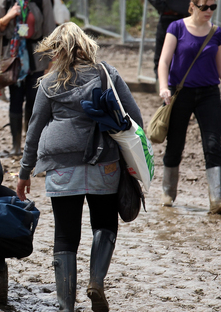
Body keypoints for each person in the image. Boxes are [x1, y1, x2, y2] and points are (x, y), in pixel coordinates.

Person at [17, 22, 142, 312]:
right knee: (105, 223)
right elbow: (134, 118)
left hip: (61, 165)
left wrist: (24, 173)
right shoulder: (106, 74)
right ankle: (96, 282)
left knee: (65, 233)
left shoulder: (48, 83)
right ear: (87, 45)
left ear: (55, 49)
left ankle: (65, 306)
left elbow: (34, 130)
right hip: (104, 160)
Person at [157, 0, 221, 215]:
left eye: (213, 7)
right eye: (204, 7)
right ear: (192, 6)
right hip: (180, 93)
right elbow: (164, 61)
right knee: (175, 144)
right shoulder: (176, 28)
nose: (209, 11)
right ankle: (167, 193)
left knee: (213, 144)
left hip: (209, 94)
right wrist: (164, 88)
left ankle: (216, 199)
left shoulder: (216, 33)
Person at [0, 0, 55, 157]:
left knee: (34, 101)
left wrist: (51, 61)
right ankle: (16, 145)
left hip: (36, 58)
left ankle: (30, 144)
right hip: (13, 58)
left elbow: (50, 32)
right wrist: (8, 16)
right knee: (15, 101)